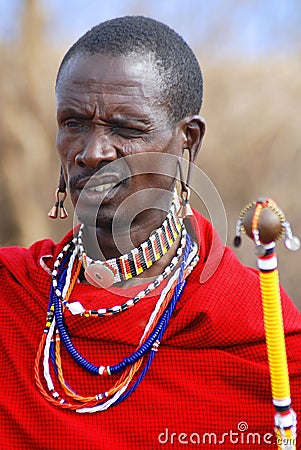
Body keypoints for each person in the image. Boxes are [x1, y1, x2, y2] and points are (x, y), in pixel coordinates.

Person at [0, 16, 301, 450]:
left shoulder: (260, 336)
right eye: (73, 123)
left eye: (125, 128)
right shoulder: (14, 294)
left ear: (188, 142)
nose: (91, 153)